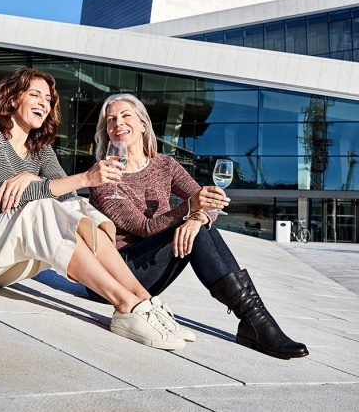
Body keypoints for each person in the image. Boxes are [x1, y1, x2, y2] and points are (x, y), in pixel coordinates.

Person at [0, 68, 187, 351]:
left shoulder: (40, 147)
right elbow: (7, 194)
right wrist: (86, 177)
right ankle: (125, 305)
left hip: (2, 262)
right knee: (41, 208)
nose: (43, 103)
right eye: (34, 95)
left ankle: (144, 300)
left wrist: (36, 178)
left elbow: (70, 198)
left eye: (48, 99)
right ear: (13, 98)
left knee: (79, 207)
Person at [88, 93, 308, 360]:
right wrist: (191, 208)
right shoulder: (103, 178)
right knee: (194, 227)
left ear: (143, 124)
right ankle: (255, 323)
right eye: (111, 119)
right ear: (106, 131)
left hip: (150, 272)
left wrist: (198, 217)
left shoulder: (165, 165)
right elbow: (144, 227)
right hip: (115, 276)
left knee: (199, 228)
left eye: (125, 116)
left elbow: (209, 202)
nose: (118, 123)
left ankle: (255, 320)